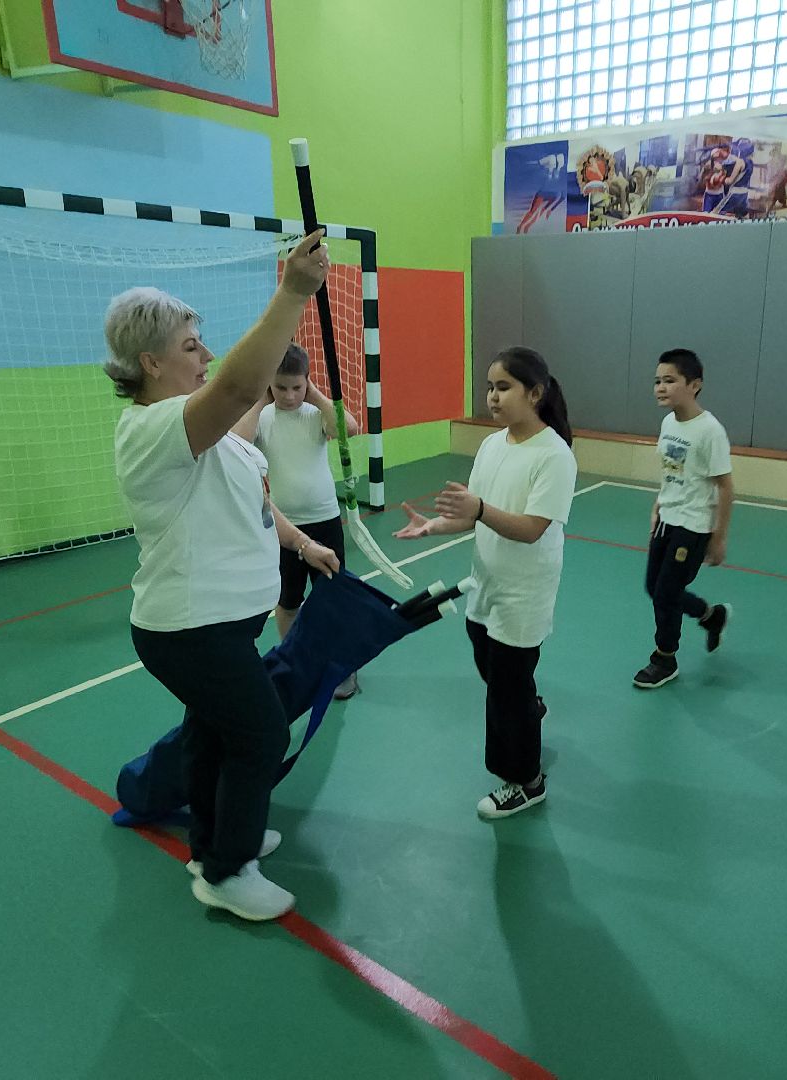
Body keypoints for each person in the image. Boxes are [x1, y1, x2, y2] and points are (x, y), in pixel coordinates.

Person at [105, 230, 337, 922]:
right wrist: (294, 291)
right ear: (150, 362)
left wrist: (299, 544)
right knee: (260, 734)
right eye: (189, 345)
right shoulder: (153, 431)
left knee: (214, 734)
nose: (205, 353)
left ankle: (213, 844)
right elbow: (241, 383)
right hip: (188, 630)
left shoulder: (207, 433)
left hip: (221, 627)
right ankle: (228, 871)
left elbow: (256, 504)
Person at [394, 347, 577, 820]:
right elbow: (476, 516)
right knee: (495, 673)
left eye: (504, 387)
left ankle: (526, 780)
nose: (493, 397)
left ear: (535, 393)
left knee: (506, 692)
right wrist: (434, 526)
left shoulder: (554, 455)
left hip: (524, 592)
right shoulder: (493, 445)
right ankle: (529, 707)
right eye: (490, 387)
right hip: (485, 584)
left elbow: (532, 527)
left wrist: (478, 511)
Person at [231, 344, 362, 699]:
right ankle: (298, 660)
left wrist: (315, 392)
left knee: (331, 597)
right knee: (288, 601)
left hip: (323, 521)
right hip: (282, 529)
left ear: (306, 383)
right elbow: (236, 442)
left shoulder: (314, 414)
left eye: (297, 387)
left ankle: (342, 665)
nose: (289, 396)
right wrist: (260, 398)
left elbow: (349, 428)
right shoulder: (263, 417)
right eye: (281, 387)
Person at [633, 349, 733, 689]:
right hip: (668, 518)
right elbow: (672, 470)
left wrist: (718, 537)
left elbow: (725, 486)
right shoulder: (668, 422)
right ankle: (711, 615)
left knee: (666, 592)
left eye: (670, 380)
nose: (660, 387)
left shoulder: (709, 431)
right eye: (657, 381)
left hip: (693, 526)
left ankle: (665, 658)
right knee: (655, 588)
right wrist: (658, 504)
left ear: (695, 385)